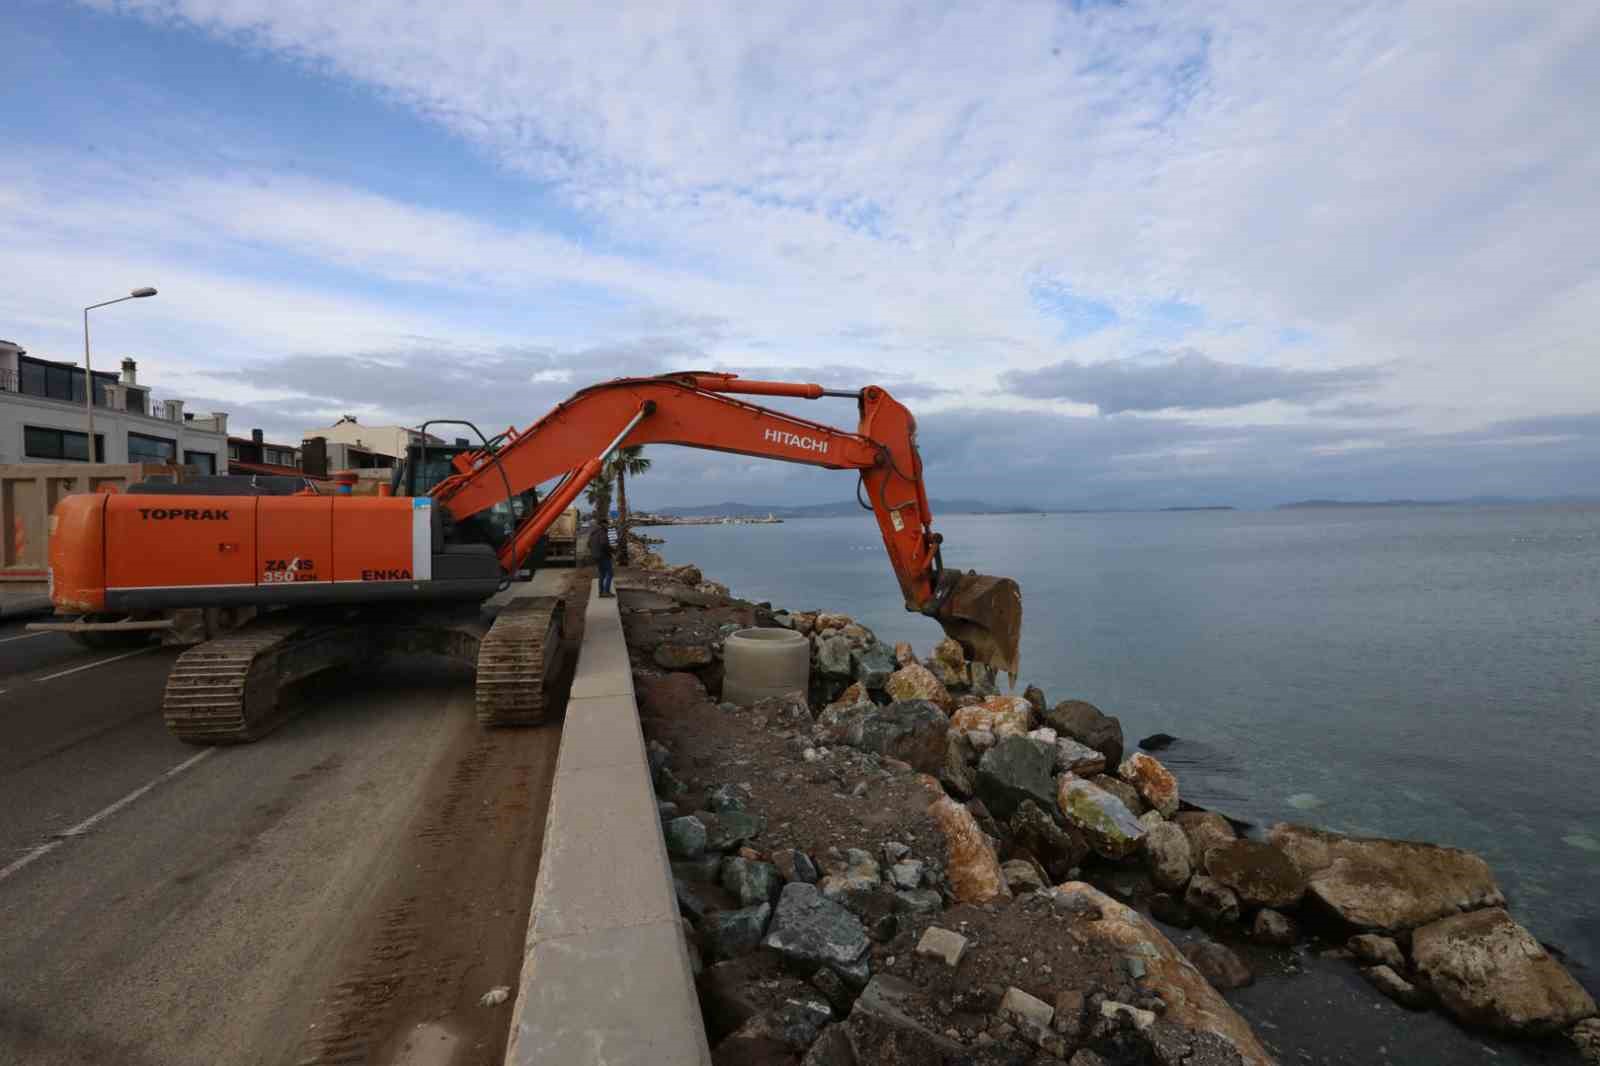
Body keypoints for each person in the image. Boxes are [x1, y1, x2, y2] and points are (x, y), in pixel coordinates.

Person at [588, 517, 614, 598]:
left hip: (596, 556)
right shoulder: (602, 532)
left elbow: (588, 544)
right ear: (604, 524)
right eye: (607, 524)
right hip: (603, 556)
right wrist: (611, 552)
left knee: (602, 574)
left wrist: (594, 551)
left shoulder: (593, 532)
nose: (608, 526)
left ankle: (601, 592)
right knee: (610, 573)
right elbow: (604, 544)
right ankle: (606, 592)